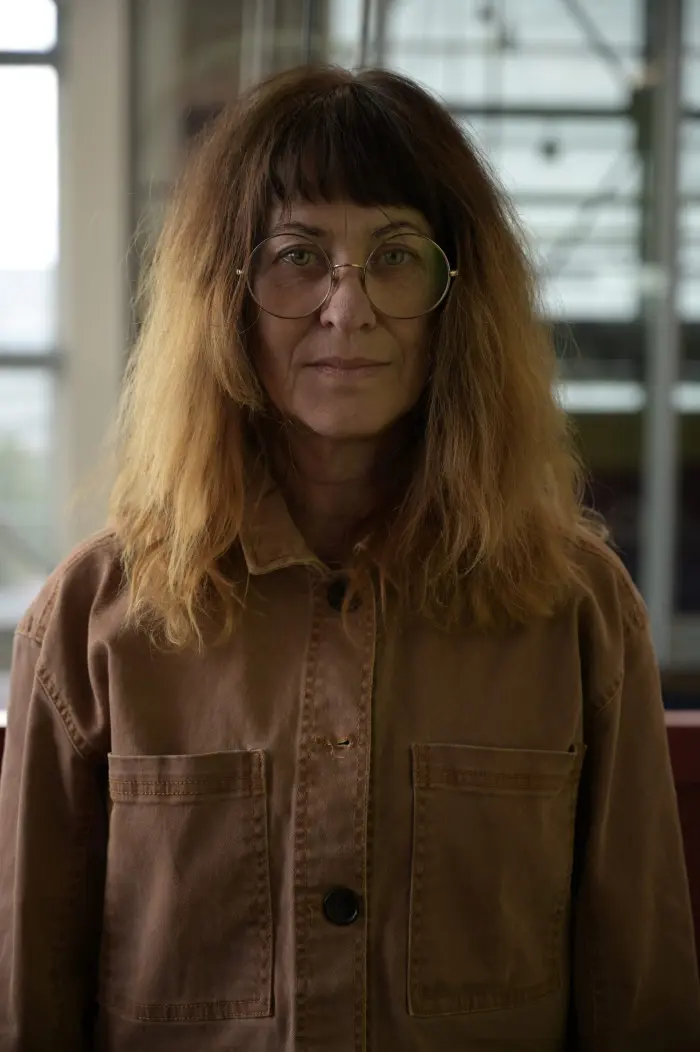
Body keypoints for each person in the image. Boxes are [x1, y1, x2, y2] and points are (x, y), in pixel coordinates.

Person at [0, 65, 698, 1052]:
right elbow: (30, 1002)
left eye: (396, 255)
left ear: (457, 294)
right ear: (224, 294)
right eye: (296, 254)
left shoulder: (576, 610)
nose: (346, 306)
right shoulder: (90, 618)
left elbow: (640, 998)